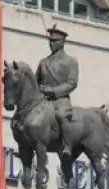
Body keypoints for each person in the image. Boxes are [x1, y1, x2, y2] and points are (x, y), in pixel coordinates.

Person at [36, 25, 79, 160]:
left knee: (61, 116)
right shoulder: (43, 62)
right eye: (50, 40)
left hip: (60, 99)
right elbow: (36, 81)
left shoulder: (71, 62)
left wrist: (53, 91)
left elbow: (72, 83)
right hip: (44, 99)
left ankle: (67, 145)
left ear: (62, 43)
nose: (51, 43)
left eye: (54, 41)